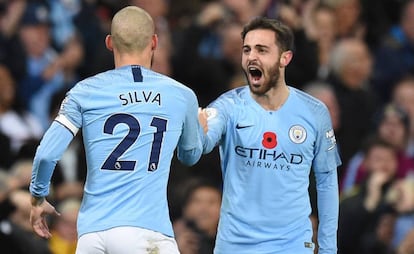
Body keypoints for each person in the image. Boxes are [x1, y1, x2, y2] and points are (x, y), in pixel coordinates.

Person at [29, 6, 204, 254]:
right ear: (154, 41)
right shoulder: (181, 95)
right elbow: (190, 155)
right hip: (147, 231)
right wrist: (200, 127)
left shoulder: (84, 91)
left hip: (92, 235)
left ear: (110, 43)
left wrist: (37, 197)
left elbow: (46, 154)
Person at [199, 17, 341, 253]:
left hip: (292, 244)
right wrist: (197, 129)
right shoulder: (228, 106)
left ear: (285, 58)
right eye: (247, 50)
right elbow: (200, 145)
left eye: (261, 50)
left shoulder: (315, 112)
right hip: (235, 245)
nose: (251, 57)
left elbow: (327, 182)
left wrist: (328, 248)